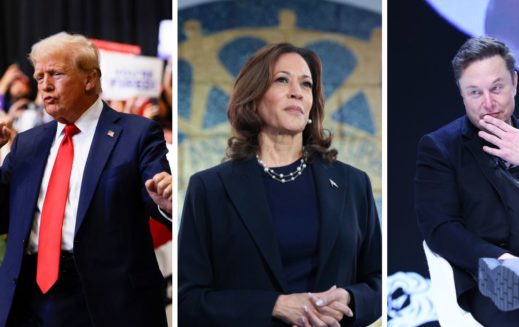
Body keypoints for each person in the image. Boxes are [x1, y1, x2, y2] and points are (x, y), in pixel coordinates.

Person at [178, 43, 381, 326]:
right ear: (253, 98)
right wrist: (274, 306)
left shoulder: (353, 183)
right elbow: (188, 300)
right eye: (282, 80)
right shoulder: (210, 188)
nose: (297, 92)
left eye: (306, 84)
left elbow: (378, 281)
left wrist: (349, 298)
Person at [0, 32, 172, 326]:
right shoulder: (26, 144)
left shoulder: (137, 134)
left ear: (90, 79)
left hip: (107, 301)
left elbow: (161, 198)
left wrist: (167, 203)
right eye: (39, 77)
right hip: (29, 299)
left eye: (56, 73)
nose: (45, 86)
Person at [415, 35, 519, 326]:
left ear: (515, 82)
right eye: (475, 93)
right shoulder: (440, 148)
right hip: (499, 280)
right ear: (461, 93)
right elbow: (440, 227)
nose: (488, 103)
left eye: (496, 88)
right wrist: (503, 261)